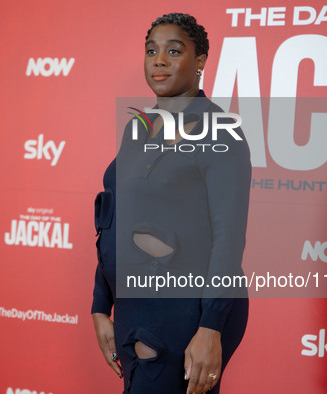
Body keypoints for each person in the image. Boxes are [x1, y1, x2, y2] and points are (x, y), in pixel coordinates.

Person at [92, 13, 251, 394]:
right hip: (134, 302)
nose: (159, 60)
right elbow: (113, 219)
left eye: (173, 51)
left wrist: (211, 327)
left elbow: (228, 239)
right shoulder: (139, 128)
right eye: (151, 51)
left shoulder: (222, 133)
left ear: (200, 61)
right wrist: (101, 304)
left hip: (183, 307)